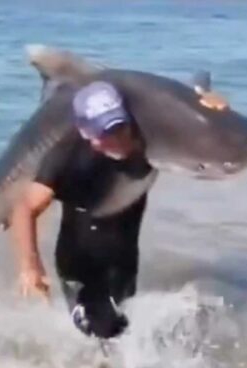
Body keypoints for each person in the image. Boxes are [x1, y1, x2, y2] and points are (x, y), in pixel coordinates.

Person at [9, 81, 154, 338]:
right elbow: (24, 208)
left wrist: (210, 102)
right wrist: (30, 266)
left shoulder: (148, 142)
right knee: (102, 331)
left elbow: (190, 124)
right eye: (105, 133)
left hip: (124, 262)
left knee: (123, 330)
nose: (117, 139)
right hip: (80, 266)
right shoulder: (66, 156)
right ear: (85, 132)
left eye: (119, 127)